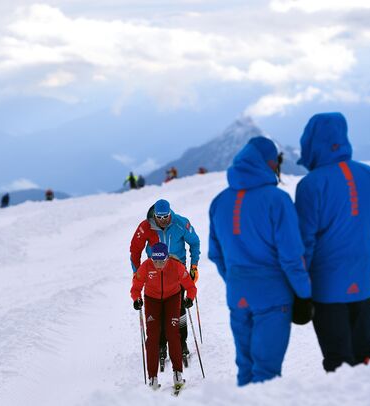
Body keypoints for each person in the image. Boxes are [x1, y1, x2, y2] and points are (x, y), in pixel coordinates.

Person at [295, 112, 370, 373]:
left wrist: (301, 291)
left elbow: (303, 244)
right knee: (366, 358)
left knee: (338, 364)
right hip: (363, 285)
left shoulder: (310, 185)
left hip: (326, 293)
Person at [208, 136, 312, 386]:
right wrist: (304, 295)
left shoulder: (219, 202)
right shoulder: (277, 200)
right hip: (273, 298)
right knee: (266, 373)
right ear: (269, 164)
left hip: (238, 296)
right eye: (276, 162)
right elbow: (292, 257)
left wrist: (236, 279)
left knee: (245, 368)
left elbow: (216, 254)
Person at [129, 199, 200, 367]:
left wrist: (194, 265)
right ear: (155, 215)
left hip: (177, 271)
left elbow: (195, 243)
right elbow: (134, 250)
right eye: (159, 217)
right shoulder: (146, 226)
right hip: (155, 270)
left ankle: (181, 342)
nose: (162, 220)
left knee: (179, 310)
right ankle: (161, 345)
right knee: (159, 311)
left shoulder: (181, 223)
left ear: (170, 213)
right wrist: (137, 272)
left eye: (165, 216)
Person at [130, 242, 197, 390]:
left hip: (172, 298)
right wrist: (137, 299)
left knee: (173, 334)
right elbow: (136, 286)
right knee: (152, 337)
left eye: (162, 261)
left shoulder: (176, 266)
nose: (158, 265)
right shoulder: (146, 266)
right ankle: (152, 377)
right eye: (156, 261)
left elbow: (190, 286)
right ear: (151, 258)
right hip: (152, 300)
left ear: (167, 258)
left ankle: (178, 373)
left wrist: (190, 298)